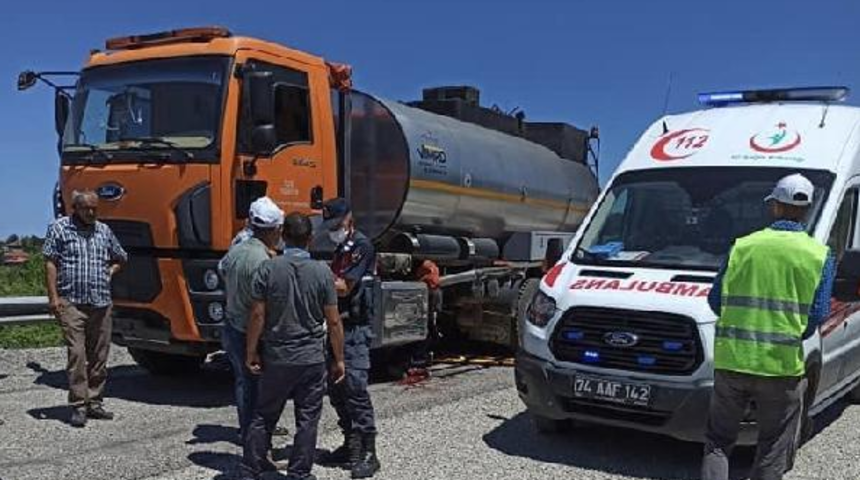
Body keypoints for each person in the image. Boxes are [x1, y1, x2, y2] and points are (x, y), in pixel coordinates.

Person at [701, 174, 836, 480]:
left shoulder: (742, 247)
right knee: (773, 445)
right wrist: (788, 332)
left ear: (775, 206)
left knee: (718, 443)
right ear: (807, 210)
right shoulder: (820, 255)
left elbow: (715, 300)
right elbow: (818, 313)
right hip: (781, 367)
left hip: (733, 360)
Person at [240, 212, 346, 480]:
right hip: (310, 358)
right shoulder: (323, 272)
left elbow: (257, 315)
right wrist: (339, 358)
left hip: (277, 355)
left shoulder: (268, 269)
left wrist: (251, 351)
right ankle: (299, 473)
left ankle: (251, 468)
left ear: (283, 237)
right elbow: (333, 322)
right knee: (308, 419)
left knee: (264, 414)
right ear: (310, 239)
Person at [42, 190, 127, 428]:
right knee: (77, 355)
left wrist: (109, 272)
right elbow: (50, 261)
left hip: (100, 302)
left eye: (94, 209)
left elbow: (121, 256)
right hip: (71, 302)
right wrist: (53, 297)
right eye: (86, 208)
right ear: (75, 208)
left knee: (99, 356)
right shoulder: (60, 228)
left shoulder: (104, 231)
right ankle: (79, 404)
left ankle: (95, 401)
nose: (91, 213)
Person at [317, 198, 381, 479]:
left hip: (354, 328)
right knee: (336, 387)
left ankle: (369, 451)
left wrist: (316, 276)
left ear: (349, 219)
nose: (334, 229)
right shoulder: (341, 249)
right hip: (337, 326)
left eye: (336, 224)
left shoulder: (361, 247)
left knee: (355, 387)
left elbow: (343, 288)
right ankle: (350, 442)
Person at [218, 197, 284, 442]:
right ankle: (256, 443)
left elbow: (222, 270)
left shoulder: (236, 249)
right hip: (251, 333)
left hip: (232, 325)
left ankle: (248, 433)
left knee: (244, 384)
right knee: (259, 390)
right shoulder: (264, 262)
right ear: (275, 230)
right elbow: (260, 310)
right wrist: (253, 348)